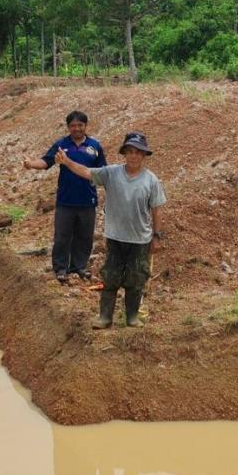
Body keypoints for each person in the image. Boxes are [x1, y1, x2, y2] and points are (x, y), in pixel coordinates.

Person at [56, 131, 165, 328]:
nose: (134, 156)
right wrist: (67, 162)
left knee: (136, 278)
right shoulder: (112, 173)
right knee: (111, 277)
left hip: (140, 239)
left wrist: (157, 237)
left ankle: (132, 317)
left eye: (138, 152)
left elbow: (156, 211)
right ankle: (105, 317)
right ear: (124, 153)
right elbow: (87, 172)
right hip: (115, 237)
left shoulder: (151, 180)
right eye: (130, 151)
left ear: (144, 155)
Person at [23, 110, 107, 284]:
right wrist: (31, 164)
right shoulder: (61, 145)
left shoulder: (95, 147)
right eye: (73, 126)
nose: (76, 128)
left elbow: (103, 172)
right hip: (65, 200)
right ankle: (61, 268)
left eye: (80, 125)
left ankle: (80, 267)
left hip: (87, 200)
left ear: (85, 126)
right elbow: (46, 162)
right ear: (68, 127)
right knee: (62, 236)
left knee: (85, 236)